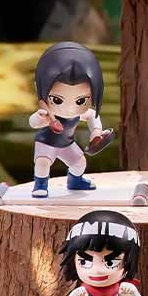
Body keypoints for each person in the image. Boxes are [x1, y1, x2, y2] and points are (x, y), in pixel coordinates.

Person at [29, 41, 113, 198]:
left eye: (80, 101)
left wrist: (96, 132)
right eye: (57, 100)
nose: (69, 109)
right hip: (46, 143)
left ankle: (75, 181)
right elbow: (33, 123)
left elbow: (92, 116)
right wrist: (39, 118)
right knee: (42, 163)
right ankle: (40, 184)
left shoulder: (78, 113)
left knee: (80, 163)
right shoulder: (47, 115)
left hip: (67, 143)